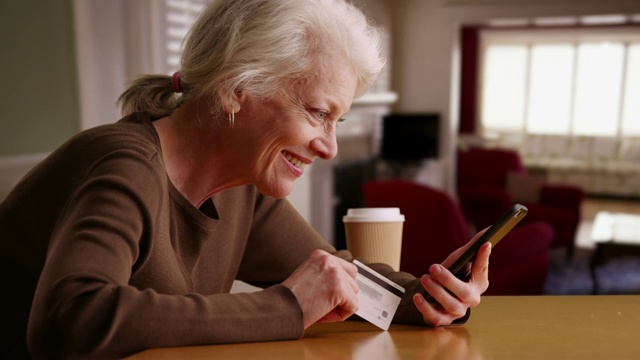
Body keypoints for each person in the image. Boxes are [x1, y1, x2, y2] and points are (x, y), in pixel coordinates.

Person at [0, 0, 491, 358]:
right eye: (318, 113)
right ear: (237, 90)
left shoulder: (240, 186)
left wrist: (435, 296)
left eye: (337, 122)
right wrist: (285, 307)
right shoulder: (123, 165)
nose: (330, 146)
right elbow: (70, 319)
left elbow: (338, 281)